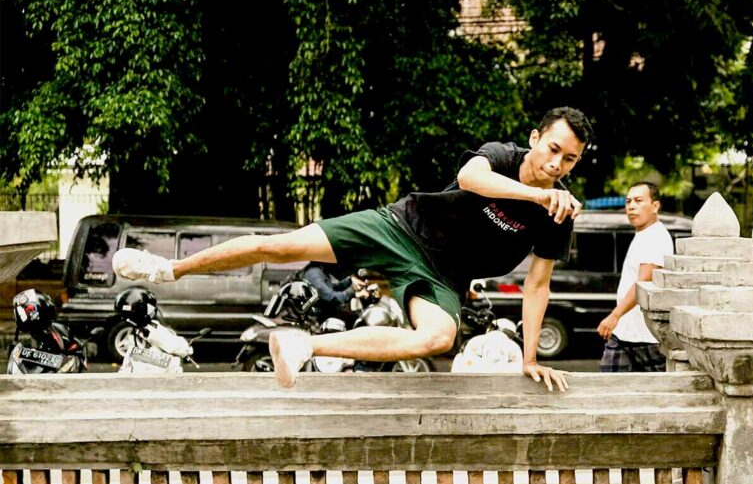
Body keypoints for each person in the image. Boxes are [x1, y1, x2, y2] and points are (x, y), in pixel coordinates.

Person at [112, 107, 593, 390]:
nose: (557, 164)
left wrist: (530, 359)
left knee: (437, 339)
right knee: (283, 246)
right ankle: (168, 269)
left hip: (438, 277)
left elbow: (537, 285)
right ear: (535, 139)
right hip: (398, 228)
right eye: (552, 149)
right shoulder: (504, 157)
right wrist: (535, 193)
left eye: (569, 159)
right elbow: (472, 178)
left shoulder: (559, 213)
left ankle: (304, 345)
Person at [597, 182, 674, 372]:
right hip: (624, 333)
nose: (631, 206)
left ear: (655, 206)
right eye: (628, 201)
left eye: (639, 201)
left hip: (645, 335)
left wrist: (615, 315)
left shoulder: (656, 236)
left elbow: (643, 282)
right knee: (609, 389)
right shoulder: (643, 234)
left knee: (656, 396)